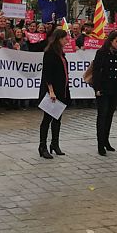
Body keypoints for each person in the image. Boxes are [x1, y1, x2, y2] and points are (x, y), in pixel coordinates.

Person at [38, 29, 71, 159]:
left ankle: (55, 144)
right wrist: (51, 91)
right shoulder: (50, 53)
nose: (67, 40)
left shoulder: (61, 53)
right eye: (65, 38)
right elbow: (47, 74)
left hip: (61, 89)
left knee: (58, 118)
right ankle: (42, 146)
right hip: (52, 91)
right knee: (47, 119)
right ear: (58, 39)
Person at [92, 31, 117, 156]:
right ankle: (100, 143)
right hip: (103, 88)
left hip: (114, 88)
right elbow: (96, 72)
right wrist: (97, 88)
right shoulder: (101, 53)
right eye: (116, 41)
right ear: (110, 41)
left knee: (110, 115)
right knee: (102, 115)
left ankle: (106, 140)